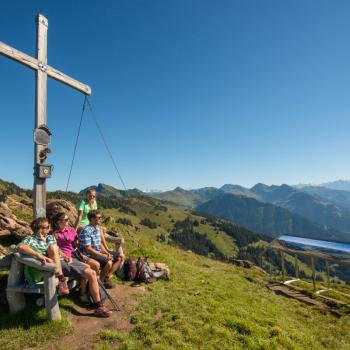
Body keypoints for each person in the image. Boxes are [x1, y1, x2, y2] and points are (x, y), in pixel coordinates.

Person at [52, 213, 112, 317]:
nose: (68, 221)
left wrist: (82, 256)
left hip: (75, 256)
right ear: (58, 222)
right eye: (65, 220)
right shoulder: (53, 234)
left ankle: (90, 297)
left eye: (67, 219)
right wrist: (63, 255)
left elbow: (76, 244)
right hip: (64, 259)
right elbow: (54, 249)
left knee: (93, 268)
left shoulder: (71, 230)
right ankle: (95, 302)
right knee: (91, 272)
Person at [17, 217, 69, 295]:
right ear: (40, 229)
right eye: (48, 226)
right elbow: (20, 247)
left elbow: (57, 250)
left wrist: (65, 256)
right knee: (53, 247)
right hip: (42, 266)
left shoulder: (50, 237)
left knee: (54, 247)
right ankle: (61, 278)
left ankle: (61, 277)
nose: (50, 227)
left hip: (55, 264)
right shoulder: (31, 239)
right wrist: (39, 255)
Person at [79, 210, 121, 288]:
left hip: (97, 251)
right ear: (92, 219)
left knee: (119, 257)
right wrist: (103, 255)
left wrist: (106, 252)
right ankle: (100, 282)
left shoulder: (97, 228)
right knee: (109, 262)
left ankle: (106, 278)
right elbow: (88, 249)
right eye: (99, 218)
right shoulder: (86, 231)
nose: (100, 219)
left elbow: (99, 243)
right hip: (89, 254)